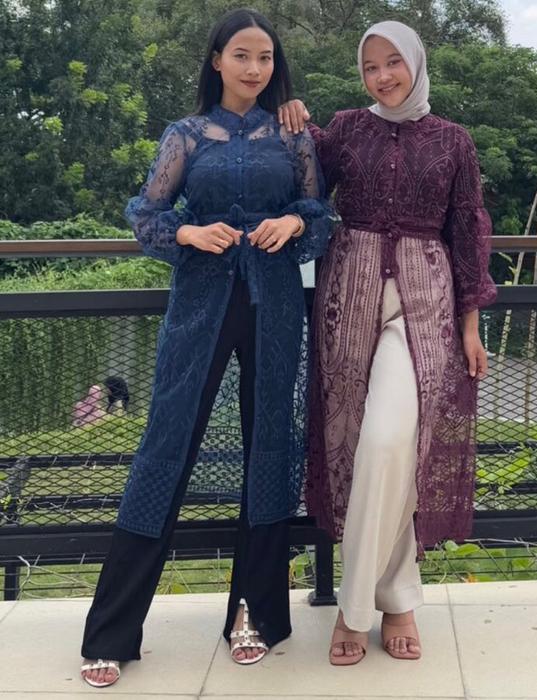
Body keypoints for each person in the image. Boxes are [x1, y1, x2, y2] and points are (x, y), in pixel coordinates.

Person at [80, 8, 332, 687]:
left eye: (265, 57)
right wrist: (189, 234)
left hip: (275, 305)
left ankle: (253, 613)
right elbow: (147, 214)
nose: (255, 68)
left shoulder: (294, 135)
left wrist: (291, 222)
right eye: (242, 55)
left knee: (270, 445)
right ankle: (112, 632)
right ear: (217, 60)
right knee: (166, 445)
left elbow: (319, 216)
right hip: (200, 306)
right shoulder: (186, 134)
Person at [278, 20, 496, 665]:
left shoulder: (453, 140)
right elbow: (303, 181)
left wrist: (471, 324)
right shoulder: (347, 128)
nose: (382, 77)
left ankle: (353, 610)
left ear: (416, 63)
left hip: (425, 304)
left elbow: (468, 229)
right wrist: (295, 121)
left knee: (391, 440)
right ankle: (398, 598)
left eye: (392, 63)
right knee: (356, 445)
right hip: (348, 296)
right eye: (370, 67)